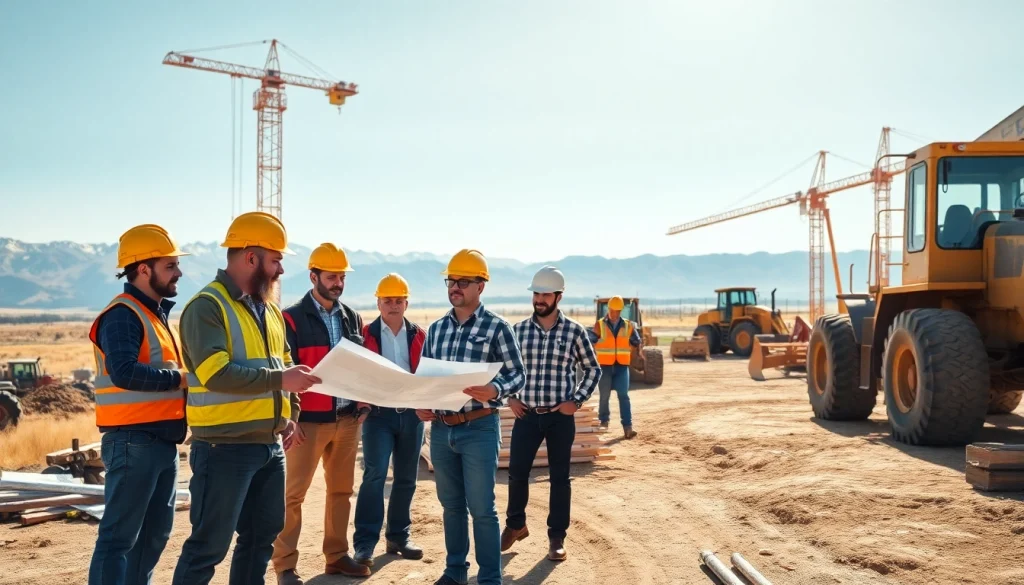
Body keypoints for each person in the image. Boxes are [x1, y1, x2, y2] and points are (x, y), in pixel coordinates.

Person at [171, 211, 321, 585]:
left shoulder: (269, 310)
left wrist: (291, 414)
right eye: (276, 260)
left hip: (268, 446)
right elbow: (215, 374)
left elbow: (285, 364)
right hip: (223, 449)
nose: (282, 270)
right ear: (250, 258)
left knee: (260, 541)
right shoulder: (207, 307)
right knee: (208, 547)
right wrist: (282, 379)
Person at [415, 249, 526, 585]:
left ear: (481, 286)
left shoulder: (497, 328)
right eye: (451, 281)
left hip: (479, 427)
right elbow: (426, 377)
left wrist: (496, 390)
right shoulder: (436, 330)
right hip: (441, 430)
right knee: (451, 507)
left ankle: (489, 577)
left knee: (482, 508)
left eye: (463, 281)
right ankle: (455, 571)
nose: (455, 287)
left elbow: (517, 374)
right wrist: (422, 403)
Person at [87, 224, 190, 585]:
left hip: (160, 443)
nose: (179, 272)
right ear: (143, 269)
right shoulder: (122, 314)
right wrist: (181, 378)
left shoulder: (155, 314)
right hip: (132, 442)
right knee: (118, 539)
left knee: (153, 537)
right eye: (171, 265)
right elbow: (124, 372)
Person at [272, 243, 370, 584]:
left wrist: (364, 402)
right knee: (292, 496)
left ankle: (337, 556)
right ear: (313, 276)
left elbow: (360, 367)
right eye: (331, 277)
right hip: (307, 423)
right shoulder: (290, 318)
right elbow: (282, 371)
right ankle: (285, 565)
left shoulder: (352, 317)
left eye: (342, 277)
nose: (338, 283)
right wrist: (290, 419)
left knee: (342, 491)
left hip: (346, 420)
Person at [502, 266, 601, 562]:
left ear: (558, 296)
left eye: (545, 294)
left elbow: (594, 369)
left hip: (560, 417)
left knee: (560, 478)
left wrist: (577, 401)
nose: (539, 299)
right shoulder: (517, 332)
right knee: (517, 473)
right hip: (527, 416)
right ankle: (515, 525)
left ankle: (556, 537)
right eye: (536, 293)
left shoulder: (574, 332)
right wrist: (509, 397)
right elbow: (504, 369)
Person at [352, 273, 427, 568]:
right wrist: (362, 405)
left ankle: (398, 536)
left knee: (407, 477)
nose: (393, 306)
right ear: (378, 303)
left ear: (406, 303)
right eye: (387, 300)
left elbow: (428, 372)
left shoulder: (420, 334)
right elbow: (357, 372)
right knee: (375, 475)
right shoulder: (364, 335)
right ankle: (365, 544)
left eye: (398, 300)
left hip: (411, 415)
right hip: (379, 416)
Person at [588, 295, 642, 439]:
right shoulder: (599, 324)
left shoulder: (628, 325)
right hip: (604, 366)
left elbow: (637, 341)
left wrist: (639, 352)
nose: (615, 314)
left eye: (618, 311)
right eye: (613, 310)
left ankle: (628, 427)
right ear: (609, 309)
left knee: (623, 396)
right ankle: (604, 421)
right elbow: (591, 340)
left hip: (621, 367)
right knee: (604, 396)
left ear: (620, 311)